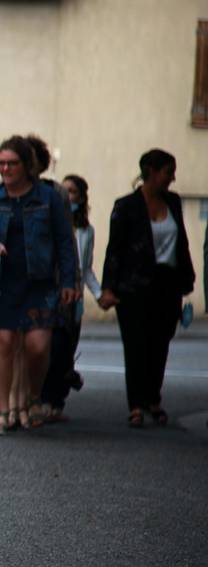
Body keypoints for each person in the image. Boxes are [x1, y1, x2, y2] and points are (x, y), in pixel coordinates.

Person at [0, 136, 77, 435]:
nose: (6, 168)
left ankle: (30, 397)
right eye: (1, 163)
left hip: (39, 281)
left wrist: (69, 280)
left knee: (37, 347)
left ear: (26, 166)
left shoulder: (47, 198)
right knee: (4, 344)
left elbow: (64, 241)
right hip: (0, 282)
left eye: (12, 163)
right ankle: (2, 412)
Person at [99, 149, 195, 427]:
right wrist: (108, 287)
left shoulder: (173, 202)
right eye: (168, 171)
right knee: (136, 345)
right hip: (133, 286)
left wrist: (187, 277)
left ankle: (153, 398)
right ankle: (136, 404)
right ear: (152, 172)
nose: (172, 177)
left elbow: (182, 243)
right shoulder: (126, 206)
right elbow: (114, 249)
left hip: (167, 284)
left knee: (160, 343)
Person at [40, 174, 101, 421]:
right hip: (50, 295)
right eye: (64, 191)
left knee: (66, 352)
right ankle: (43, 399)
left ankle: (57, 401)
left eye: (72, 192)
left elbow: (85, 268)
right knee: (49, 348)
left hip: (73, 299)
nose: (67, 196)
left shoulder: (86, 231)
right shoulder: (50, 222)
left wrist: (98, 293)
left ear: (81, 197)